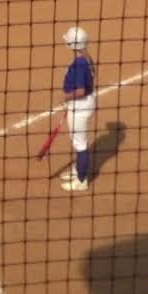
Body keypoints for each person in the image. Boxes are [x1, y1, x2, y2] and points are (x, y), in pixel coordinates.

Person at [59, 26, 98, 192]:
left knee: (80, 143)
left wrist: (66, 98)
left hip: (80, 106)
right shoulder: (86, 57)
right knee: (79, 141)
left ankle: (81, 180)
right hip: (85, 104)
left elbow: (81, 91)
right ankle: (77, 171)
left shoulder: (80, 63)